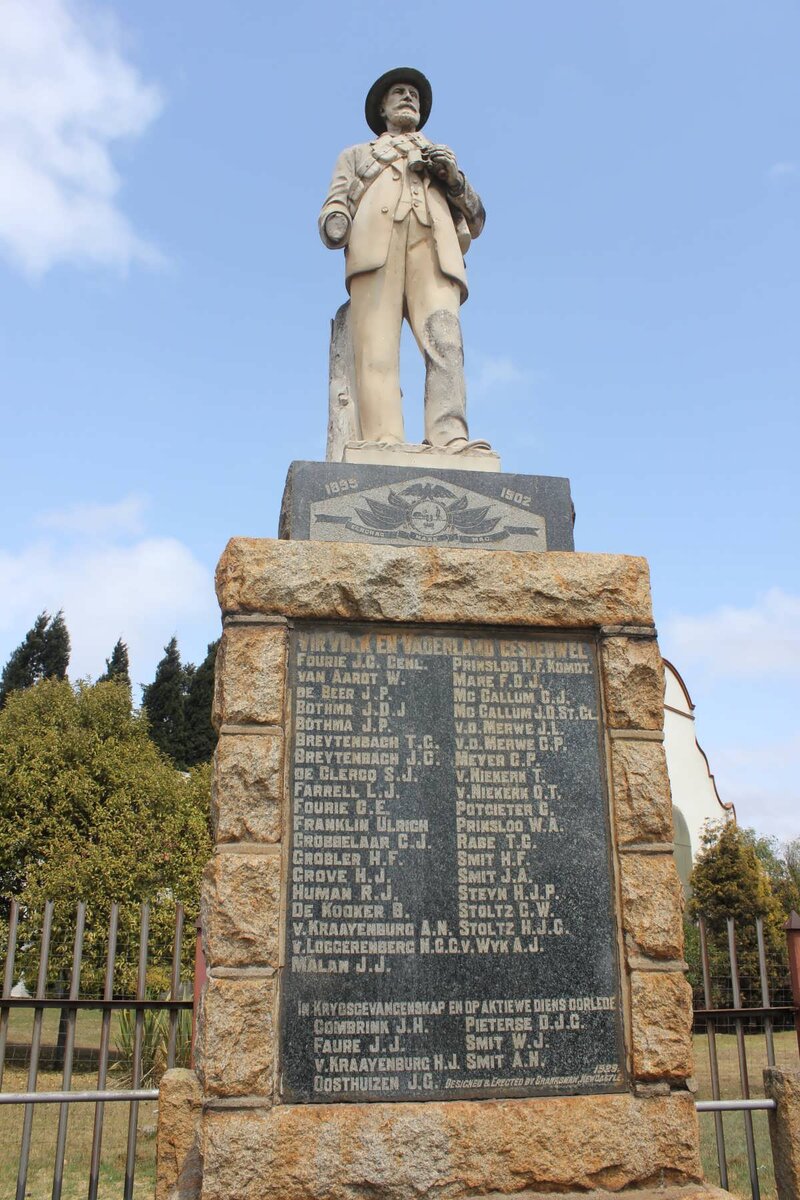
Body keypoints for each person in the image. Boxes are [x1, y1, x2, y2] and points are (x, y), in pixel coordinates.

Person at [319, 67, 491, 455]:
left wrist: (455, 180)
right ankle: (383, 438)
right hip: (375, 249)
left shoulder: (441, 158)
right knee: (376, 346)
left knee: (445, 342)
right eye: (398, 92)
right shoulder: (358, 155)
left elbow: (477, 219)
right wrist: (335, 220)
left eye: (413, 93)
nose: (408, 97)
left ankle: (451, 437)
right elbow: (336, 200)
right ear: (382, 108)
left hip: (434, 251)